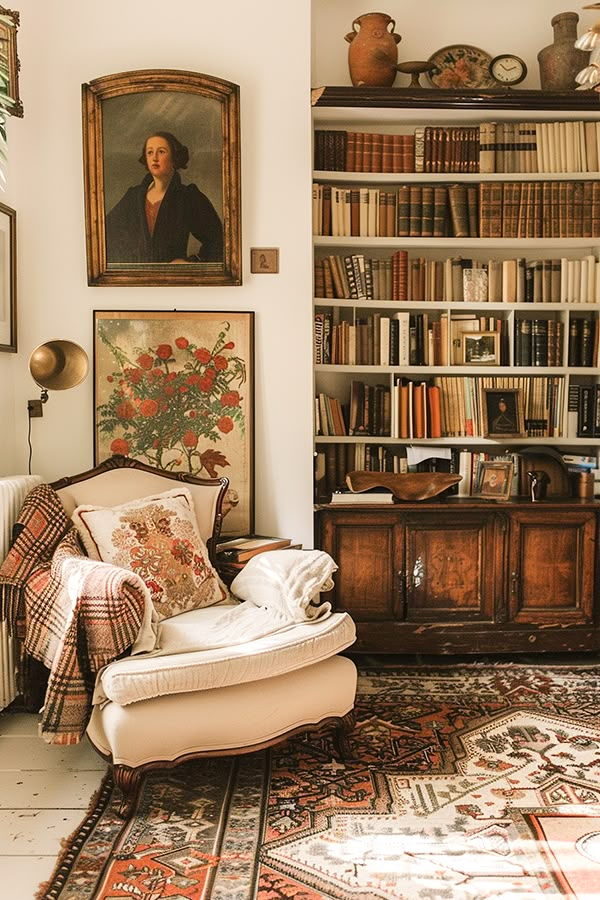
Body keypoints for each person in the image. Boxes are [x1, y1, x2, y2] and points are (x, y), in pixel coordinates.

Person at [105, 131, 223, 264]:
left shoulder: (187, 197)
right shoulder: (133, 196)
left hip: (174, 279)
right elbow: (105, 236)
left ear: (174, 158)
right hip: (137, 279)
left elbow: (219, 241)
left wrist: (192, 263)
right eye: (150, 152)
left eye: (161, 151)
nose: (154, 158)